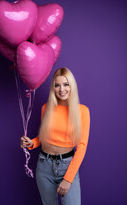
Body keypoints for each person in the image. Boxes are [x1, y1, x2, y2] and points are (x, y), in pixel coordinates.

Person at [20, 67, 90, 205]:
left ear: (72, 86)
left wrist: (68, 178)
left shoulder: (82, 111)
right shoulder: (46, 108)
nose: (61, 89)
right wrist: (31, 143)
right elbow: (45, 137)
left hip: (67, 165)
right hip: (44, 165)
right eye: (57, 85)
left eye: (66, 84)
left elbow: (81, 147)